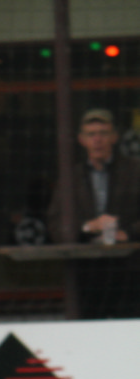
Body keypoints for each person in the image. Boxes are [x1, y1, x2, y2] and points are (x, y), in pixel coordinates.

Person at [47, 108, 140, 320]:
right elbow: (55, 223)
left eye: (103, 133)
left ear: (114, 137)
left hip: (131, 271)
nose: (97, 140)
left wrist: (128, 233)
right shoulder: (70, 177)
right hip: (86, 274)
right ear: (82, 140)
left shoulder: (135, 171)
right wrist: (87, 227)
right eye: (91, 134)